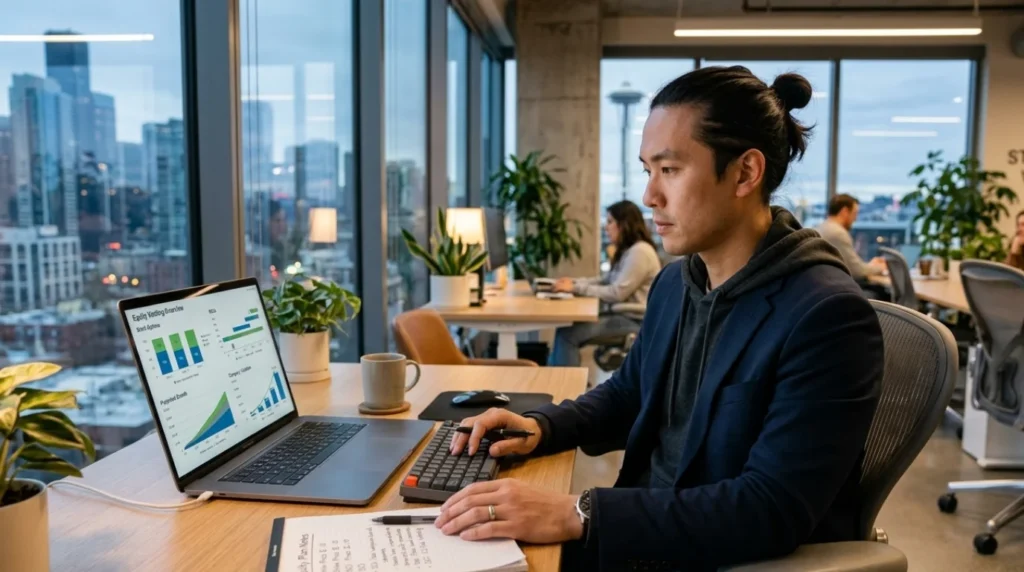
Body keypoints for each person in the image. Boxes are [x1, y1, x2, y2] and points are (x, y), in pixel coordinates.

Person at [434, 66, 884, 571]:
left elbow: (769, 508)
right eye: (648, 170)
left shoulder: (827, 316)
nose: (650, 196)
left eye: (669, 170)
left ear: (745, 172)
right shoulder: (678, 283)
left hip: (711, 553)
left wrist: (578, 511)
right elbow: (629, 393)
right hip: (647, 526)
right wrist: (542, 426)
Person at [547, 200, 661, 367]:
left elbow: (617, 293)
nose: (606, 227)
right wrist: (573, 283)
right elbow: (606, 279)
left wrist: (576, 288)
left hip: (634, 321)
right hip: (623, 316)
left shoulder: (640, 252)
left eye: (610, 222)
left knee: (568, 335)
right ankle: (556, 382)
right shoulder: (630, 250)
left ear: (624, 224)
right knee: (565, 331)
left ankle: (566, 390)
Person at [815, 194, 887, 283]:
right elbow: (857, 271)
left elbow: (852, 265)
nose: (855, 219)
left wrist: (871, 265)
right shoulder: (837, 233)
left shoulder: (821, 227)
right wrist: (883, 266)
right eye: (854, 213)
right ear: (845, 212)